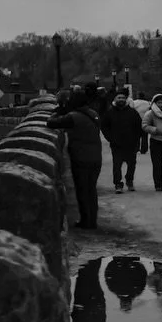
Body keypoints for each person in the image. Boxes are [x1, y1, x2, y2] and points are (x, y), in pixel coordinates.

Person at [48, 90, 104, 229]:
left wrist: (58, 111)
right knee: (91, 189)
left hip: (80, 157)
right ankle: (92, 221)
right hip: (96, 157)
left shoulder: (73, 116)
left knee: (82, 189)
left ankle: (86, 221)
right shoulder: (94, 114)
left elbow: (51, 123)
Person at [100, 89, 144, 193]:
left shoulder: (132, 112)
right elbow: (104, 126)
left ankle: (129, 180)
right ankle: (118, 184)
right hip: (116, 144)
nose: (121, 99)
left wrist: (136, 138)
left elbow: (139, 126)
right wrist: (110, 138)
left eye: (123, 98)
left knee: (131, 164)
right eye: (119, 97)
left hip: (131, 143)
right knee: (117, 165)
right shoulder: (110, 112)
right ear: (115, 99)